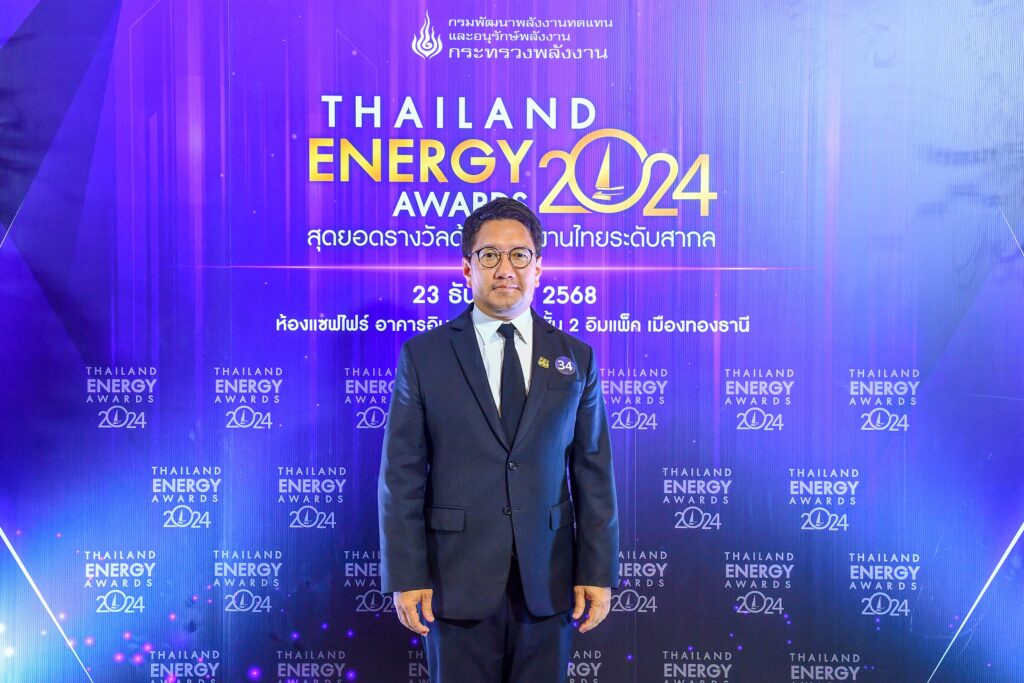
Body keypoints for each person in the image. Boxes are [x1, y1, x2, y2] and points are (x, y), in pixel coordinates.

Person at [378, 197, 619, 683]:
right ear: (467, 267)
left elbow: (593, 472)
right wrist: (407, 575)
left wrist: (597, 571)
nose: (505, 268)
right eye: (489, 255)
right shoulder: (424, 356)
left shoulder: (576, 358)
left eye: (519, 255)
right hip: (454, 581)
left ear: (538, 267)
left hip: (548, 582)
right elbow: (401, 475)